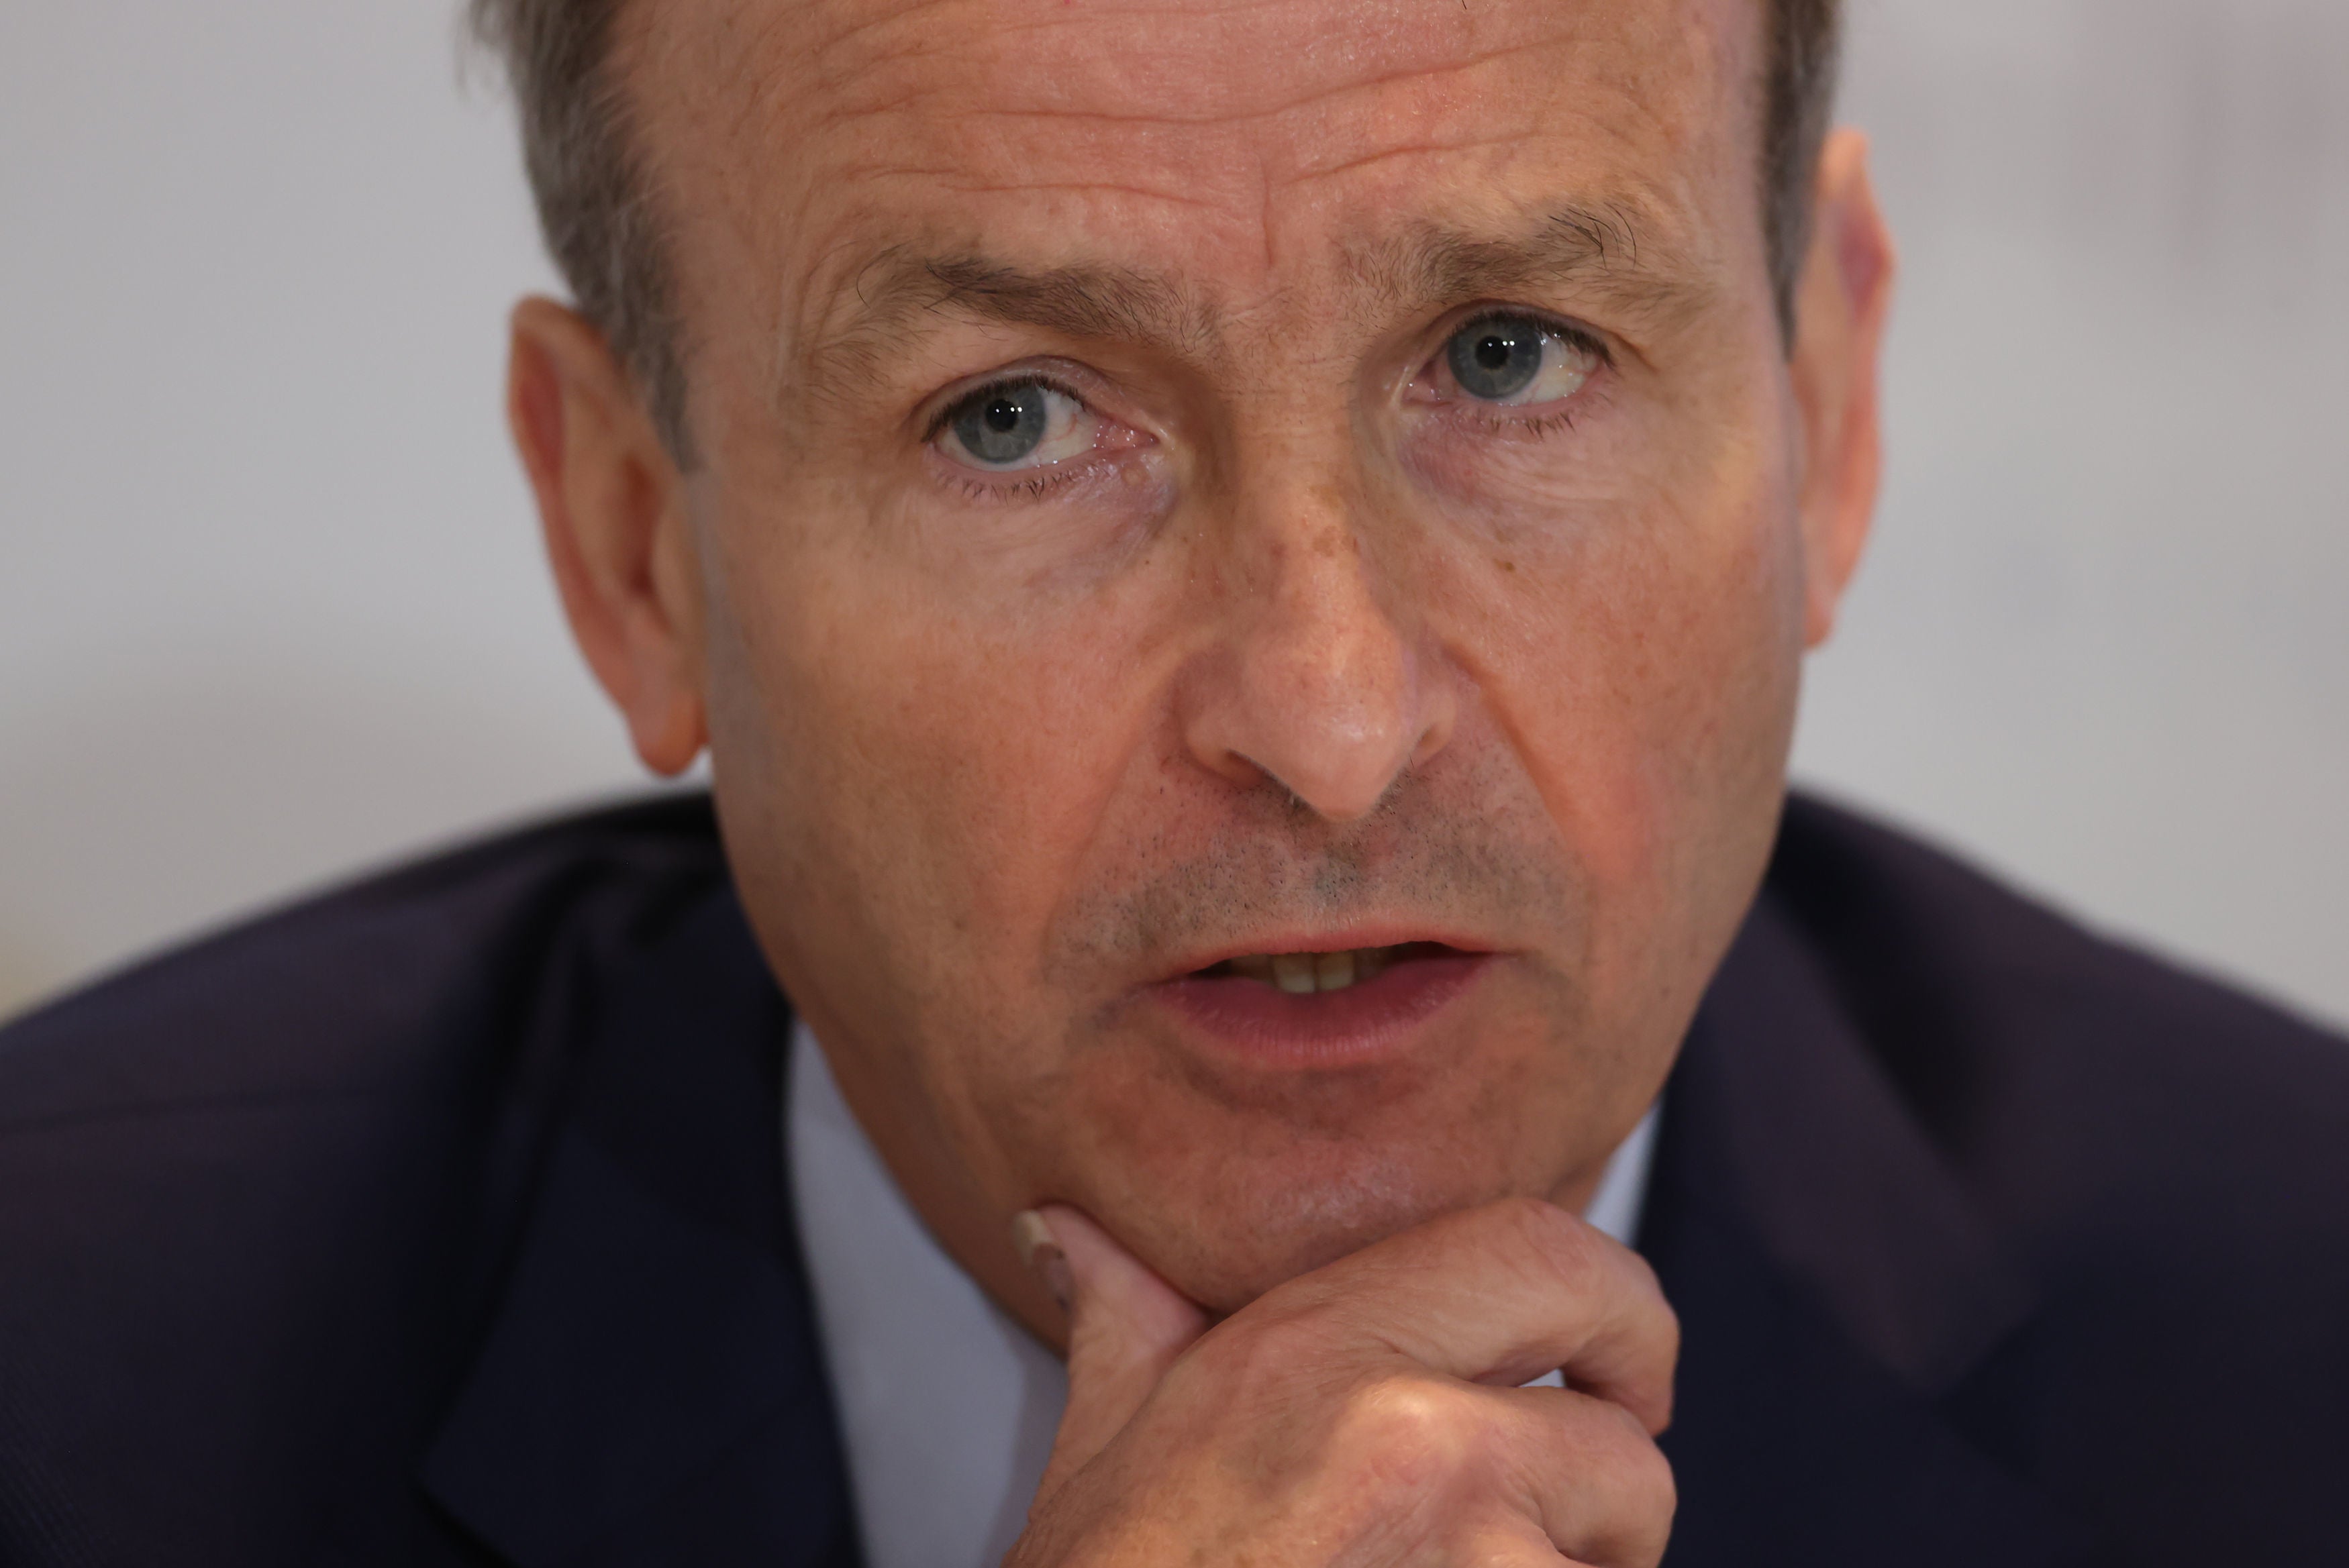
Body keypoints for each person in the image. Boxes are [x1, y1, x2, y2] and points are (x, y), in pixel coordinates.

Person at [1, 0, 2343, 1561]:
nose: (1326, 720)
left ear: (1823, 403)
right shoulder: (76, 1386)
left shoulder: (2290, 1356)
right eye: (1012, 416)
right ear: (637, 543)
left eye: (1510, 358)